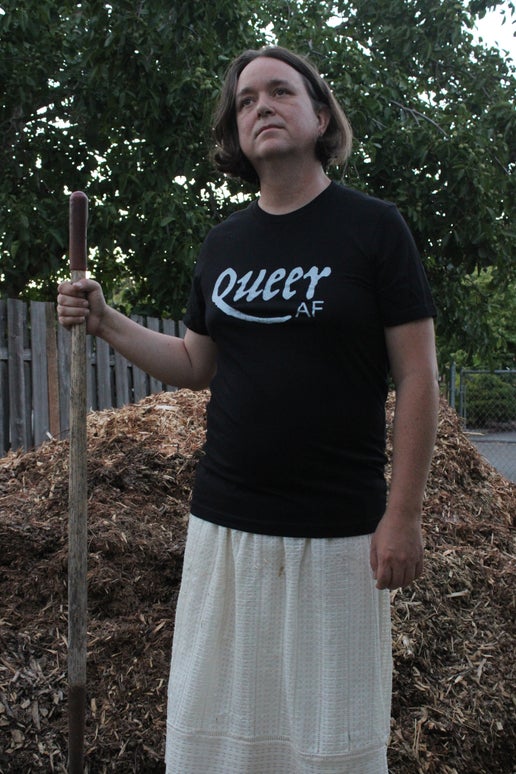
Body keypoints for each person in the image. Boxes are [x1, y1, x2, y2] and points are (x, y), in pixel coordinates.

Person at [58, 46, 439, 774]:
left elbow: (418, 376)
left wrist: (405, 514)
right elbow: (198, 364)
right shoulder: (225, 243)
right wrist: (106, 320)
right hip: (225, 524)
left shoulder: (373, 228)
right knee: (221, 732)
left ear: (320, 114)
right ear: (235, 135)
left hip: (340, 533)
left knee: (333, 739)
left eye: (280, 91)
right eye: (245, 101)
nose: (261, 105)